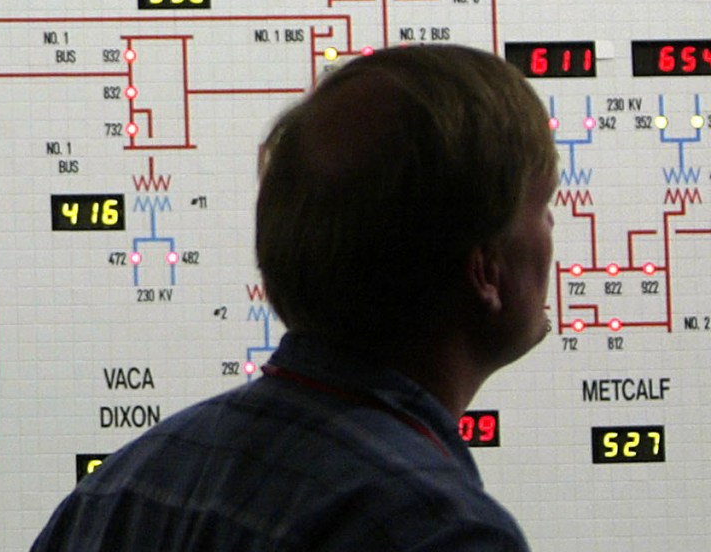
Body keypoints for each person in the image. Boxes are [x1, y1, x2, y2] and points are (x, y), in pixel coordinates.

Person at [29, 44, 557, 551]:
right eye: (541, 206)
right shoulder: (435, 529)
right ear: (485, 268)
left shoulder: (114, 493)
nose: (552, 226)